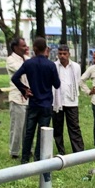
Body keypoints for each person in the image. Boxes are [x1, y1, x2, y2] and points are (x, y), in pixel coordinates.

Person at [11, 36, 61, 164]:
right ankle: (38, 157)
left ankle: (25, 158)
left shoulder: (28, 63)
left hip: (33, 102)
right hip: (46, 104)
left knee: (29, 131)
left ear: (34, 49)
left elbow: (15, 78)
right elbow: (57, 84)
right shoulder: (50, 65)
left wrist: (24, 89)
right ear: (46, 49)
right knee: (42, 132)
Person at [52, 43, 85, 155]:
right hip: (57, 102)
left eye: (64, 54)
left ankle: (79, 151)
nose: (62, 56)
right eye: (60, 54)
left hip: (72, 101)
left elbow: (77, 81)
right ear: (57, 54)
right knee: (57, 128)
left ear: (69, 54)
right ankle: (61, 151)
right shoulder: (54, 66)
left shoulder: (76, 66)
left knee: (74, 127)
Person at [5, 36, 29, 159]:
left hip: (28, 97)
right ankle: (14, 151)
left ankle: (27, 148)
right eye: (23, 46)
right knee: (17, 126)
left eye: (26, 45)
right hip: (17, 97)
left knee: (27, 127)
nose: (25, 48)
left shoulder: (27, 59)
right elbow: (20, 70)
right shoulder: (10, 60)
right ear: (15, 47)